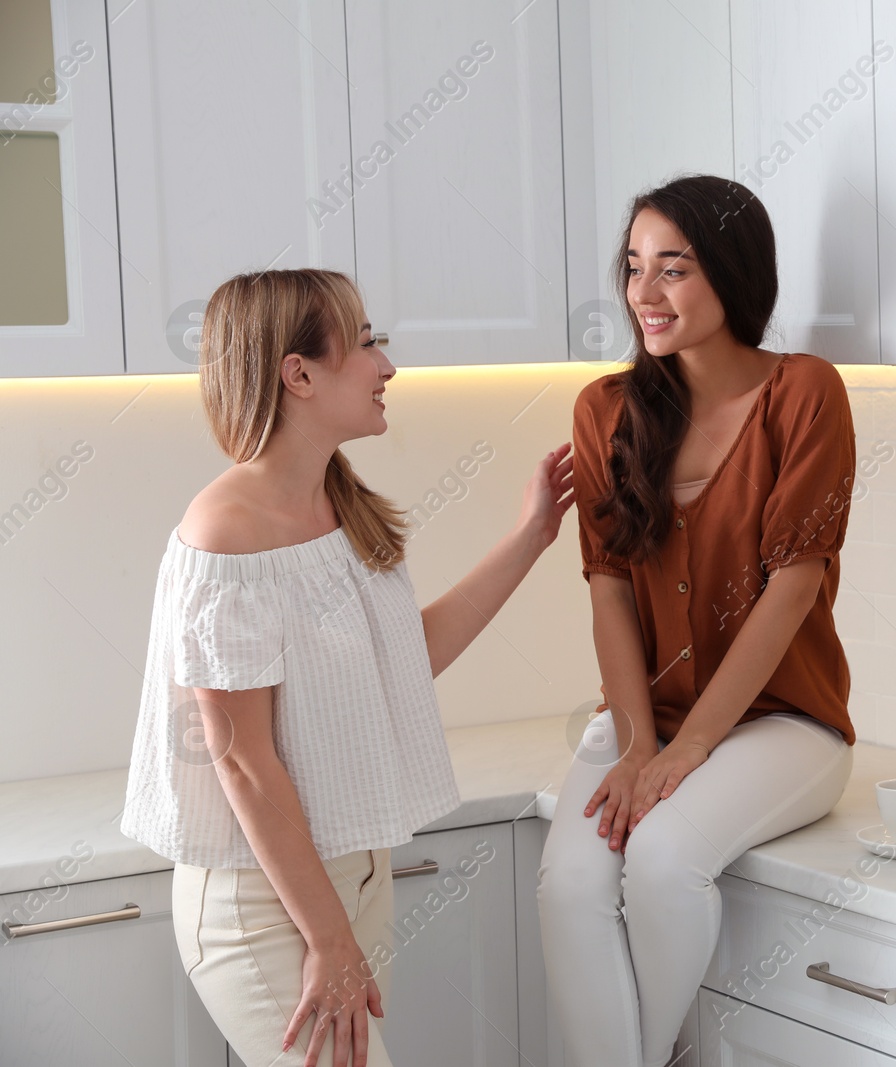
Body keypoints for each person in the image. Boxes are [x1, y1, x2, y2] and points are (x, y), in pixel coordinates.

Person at [120, 268, 575, 1067]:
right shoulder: (225, 533)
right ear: (298, 373)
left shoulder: (336, 499)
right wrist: (328, 939)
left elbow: (403, 659)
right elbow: (243, 762)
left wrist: (532, 536)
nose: (387, 366)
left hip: (353, 882)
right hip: (263, 904)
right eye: (366, 342)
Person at [538, 174, 857, 1067]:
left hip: (786, 722)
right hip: (648, 718)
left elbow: (792, 588)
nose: (644, 292)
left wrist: (686, 751)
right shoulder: (606, 410)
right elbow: (607, 589)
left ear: (733, 272)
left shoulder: (805, 393)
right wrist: (639, 742)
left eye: (672, 268)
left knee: (664, 857)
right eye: (634, 267)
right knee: (569, 883)